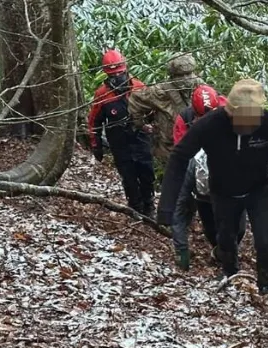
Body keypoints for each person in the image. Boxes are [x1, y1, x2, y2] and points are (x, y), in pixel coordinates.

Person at [158, 78, 268, 295]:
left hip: (260, 190)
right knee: (226, 238)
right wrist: (167, 207)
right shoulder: (210, 124)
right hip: (223, 192)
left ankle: (266, 286)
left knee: (265, 241)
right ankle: (230, 275)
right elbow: (179, 157)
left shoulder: (266, 121)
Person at [170, 85, 243, 270]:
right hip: (200, 182)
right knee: (211, 228)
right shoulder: (183, 121)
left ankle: (225, 252)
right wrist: (181, 248)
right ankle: (221, 251)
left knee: (238, 228)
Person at [128, 52, 204, 207]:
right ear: (173, 76)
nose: (188, 78)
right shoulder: (160, 91)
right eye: (182, 75)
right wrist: (142, 124)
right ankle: (172, 215)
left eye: (190, 73)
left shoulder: (199, 86)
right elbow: (136, 101)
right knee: (174, 184)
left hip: (196, 147)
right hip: (169, 147)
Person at [87, 49, 155, 216]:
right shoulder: (102, 95)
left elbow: (153, 112)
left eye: (120, 74)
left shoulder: (139, 88)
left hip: (140, 138)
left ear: (126, 69)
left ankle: (149, 206)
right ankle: (135, 208)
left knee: (147, 172)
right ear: (106, 74)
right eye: (113, 76)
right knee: (129, 177)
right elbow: (94, 121)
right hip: (119, 142)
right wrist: (96, 146)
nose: (117, 79)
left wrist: (154, 129)